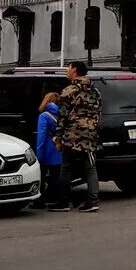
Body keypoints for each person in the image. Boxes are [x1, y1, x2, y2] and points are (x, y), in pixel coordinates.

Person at [54, 60, 103, 212]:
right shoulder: (95, 91)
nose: (66, 71)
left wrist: (58, 137)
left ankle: (64, 202)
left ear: (74, 70)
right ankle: (93, 200)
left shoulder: (69, 90)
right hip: (90, 135)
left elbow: (63, 116)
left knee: (66, 167)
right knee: (90, 168)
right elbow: (99, 113)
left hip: (72, 135)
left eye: (68, 68)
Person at [33, 93, 67, 210]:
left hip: (46, 150)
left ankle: (39, 201)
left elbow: (41, 136)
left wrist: (39, 153)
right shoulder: (61, 114)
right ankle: (56, 198)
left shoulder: (44, 116)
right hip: (58, 149)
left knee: (42, 176)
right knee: (56, 175)